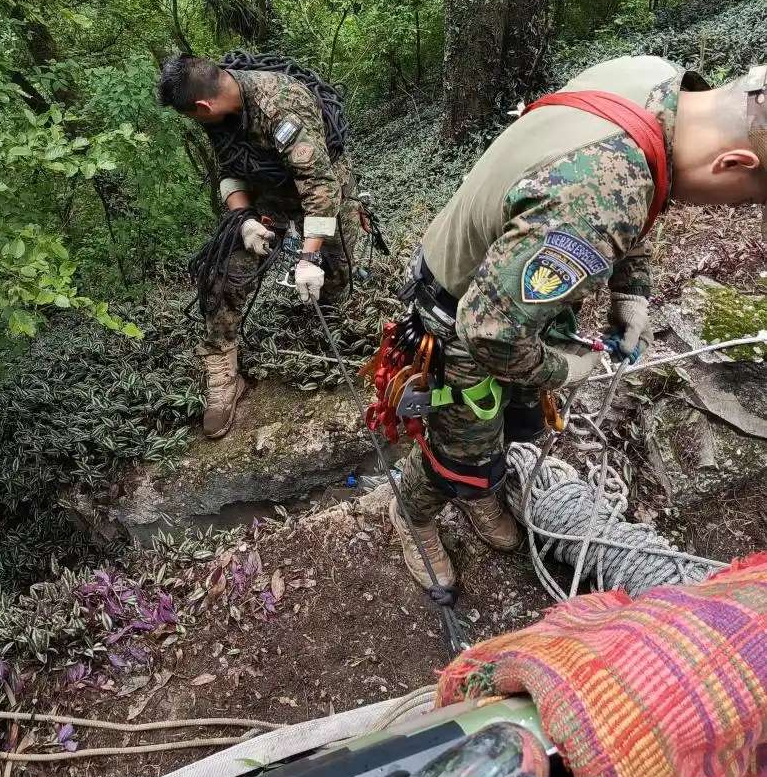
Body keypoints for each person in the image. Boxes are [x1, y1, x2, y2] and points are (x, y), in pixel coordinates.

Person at [389, 57, 767, 590]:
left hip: (504, 287)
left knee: (519, 423)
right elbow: (490, 333)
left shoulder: (652, 79)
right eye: (749, 197)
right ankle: (415, 512)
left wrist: (630, 293)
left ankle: (483, 489)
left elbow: (637, 186)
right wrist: (567, 370)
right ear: (734, 163)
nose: (734, 209)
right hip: (464, 315)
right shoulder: (597, 197)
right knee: (461, 447)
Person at [158, 54, 360, 439]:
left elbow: (320, 189)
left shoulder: (281, 107)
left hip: (325, 192)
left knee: (334, 275)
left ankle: (329, 322)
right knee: (222, 274)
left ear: (203, 106)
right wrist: (245, 220)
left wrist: (308, 256)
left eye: (191, 116)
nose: (194, 121)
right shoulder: (218, 115)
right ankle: (223, 372)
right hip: (267, 197)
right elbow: (229, 169)